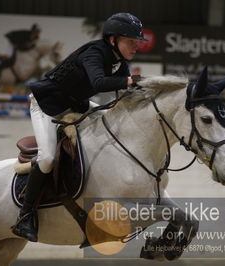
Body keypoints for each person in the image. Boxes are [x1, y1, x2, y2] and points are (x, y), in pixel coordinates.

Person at [11, 13, 146, 242]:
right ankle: (25, 216)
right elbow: (99, 83)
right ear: (113, 40)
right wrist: (130, 81)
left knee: (110, 124)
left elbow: (123, 93)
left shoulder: (119, 61)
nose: (135, 47)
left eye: (137, 42)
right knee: (46, 160)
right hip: (46, 106)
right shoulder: (94, 52)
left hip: (76, 103)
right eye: (130, 41)